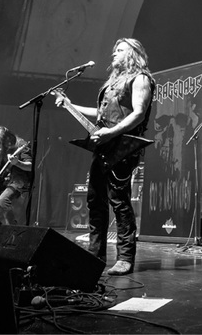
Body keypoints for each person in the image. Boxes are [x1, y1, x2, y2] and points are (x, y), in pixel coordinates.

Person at [56, 38, 155, 276]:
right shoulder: (112, 83)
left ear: (133, 54)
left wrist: (110, 133)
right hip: (103, 147)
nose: (114, 54)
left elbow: (139, 113)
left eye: (120, 50)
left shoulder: (140, 79)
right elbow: (100, 114)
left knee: (119, 201)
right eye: (114, 50)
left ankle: (125, 257)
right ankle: (95, 254)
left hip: (122, 148)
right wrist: (71, 105)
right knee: (95, 201)